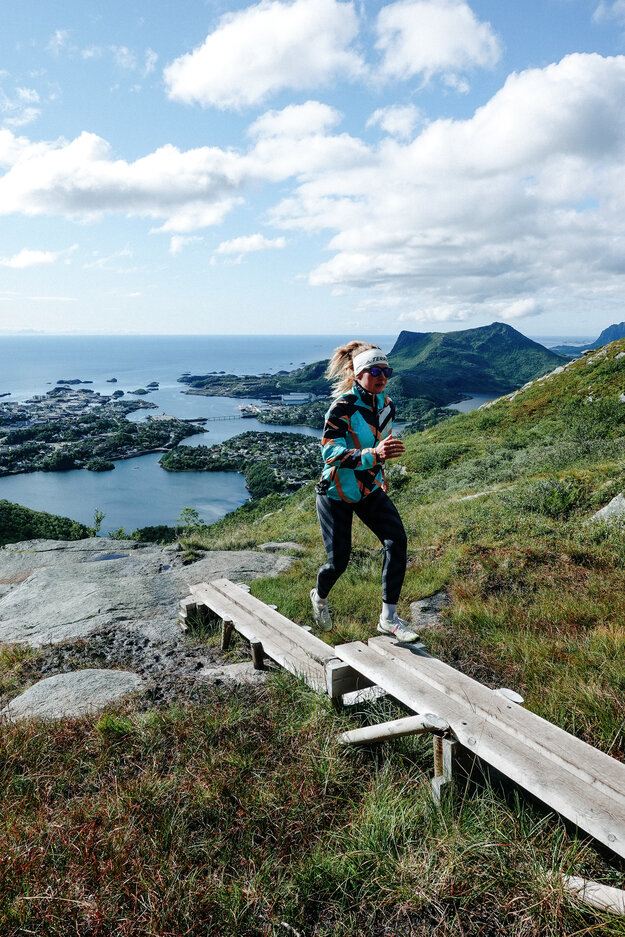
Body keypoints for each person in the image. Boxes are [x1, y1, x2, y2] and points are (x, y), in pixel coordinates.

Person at [310, 341, 419, 642]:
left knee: (396, 540)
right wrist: (374, 455)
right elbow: (330, 453)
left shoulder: (387, 406)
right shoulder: (342, 407)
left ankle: (389, 618)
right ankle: (319, 598)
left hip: (369, 488)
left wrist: (380, 467)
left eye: (386, 370)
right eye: (374, 370)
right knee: (338, 562)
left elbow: (380, 443)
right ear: (358, 374)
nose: (382, 376)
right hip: (337, 491)